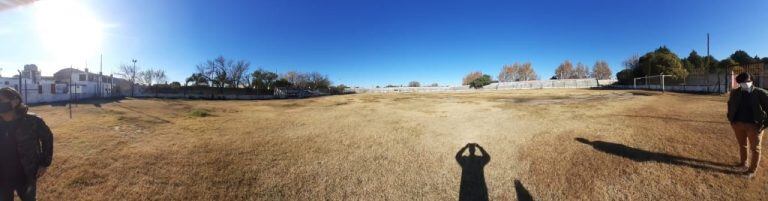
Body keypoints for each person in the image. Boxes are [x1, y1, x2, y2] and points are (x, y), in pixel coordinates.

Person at [0, 87, 54, 201]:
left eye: (1, 100)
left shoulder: (33, 121)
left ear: (15, 102)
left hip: (25, 174)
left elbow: (47, 138)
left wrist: (44, 163)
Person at [727, 72, 768, 178]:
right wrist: (731, 119)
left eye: (747, 81)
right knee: (742, 145)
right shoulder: (735, 92)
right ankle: (743, 164)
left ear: (752, 80)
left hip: (754, 126)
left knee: (755, 149)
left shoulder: (760, 93)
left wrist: (764, 124)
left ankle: (751, 171)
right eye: (742, 82)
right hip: (738, 124)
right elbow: (730, 104)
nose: (745, 84)